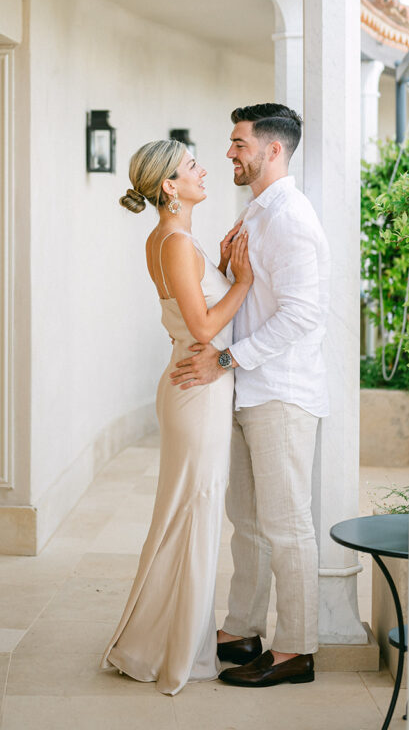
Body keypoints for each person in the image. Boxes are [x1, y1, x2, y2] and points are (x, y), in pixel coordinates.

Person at [170, 104, 330, 688]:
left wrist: (227, 358)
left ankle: (297, 650)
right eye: (233, 143)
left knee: (287, 525)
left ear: (273, 151)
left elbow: (303, 315)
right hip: (244, 388)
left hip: (281, 393)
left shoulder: (290, 217)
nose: (231, 153)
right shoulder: (256, 212)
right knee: (248, 521)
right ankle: (241, 629)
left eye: (239, 144)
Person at [100, 139, 253, 696]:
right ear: (169, 186)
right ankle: (172, 648)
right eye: (192, 166)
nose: (204, 170)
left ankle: (171, 638)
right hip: (197, 391)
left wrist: (218, 266)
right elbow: (206, 328)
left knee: (189, 513)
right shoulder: (173, 243)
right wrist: (241, 281)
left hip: (192, 384)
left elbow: (191, 314)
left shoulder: (172, 240)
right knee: (193, 513)